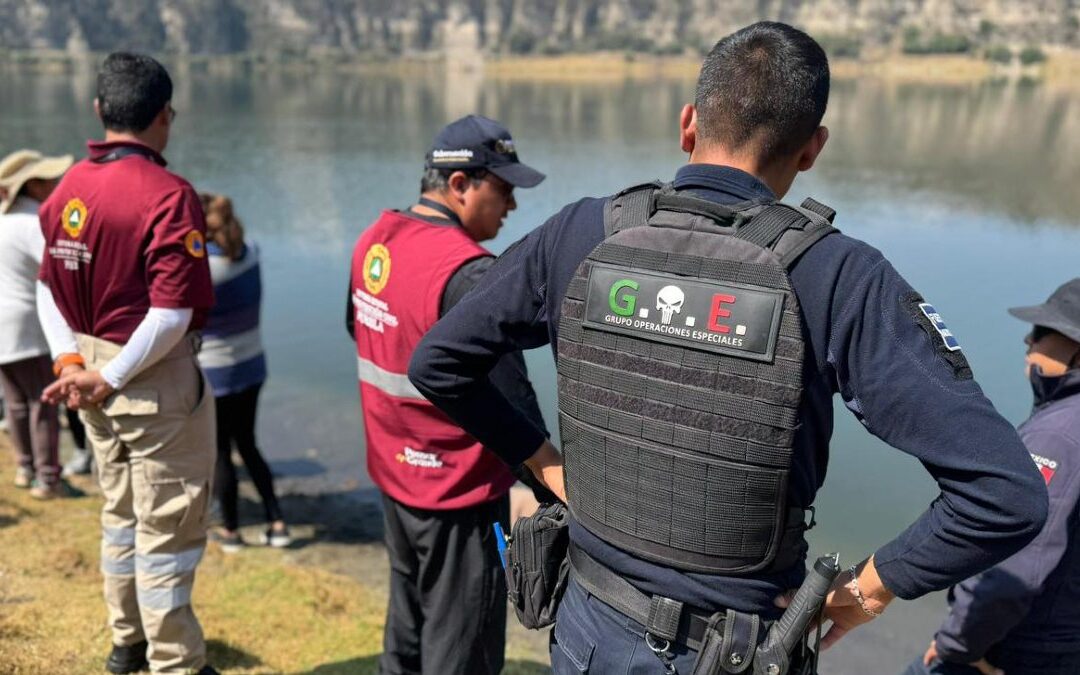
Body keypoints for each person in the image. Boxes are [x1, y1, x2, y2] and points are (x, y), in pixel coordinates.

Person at [409, 22, 1049, 674]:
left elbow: (438, 362)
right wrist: (868, 588)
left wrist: (543, 461)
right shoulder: (837, 277)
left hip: (585, 631)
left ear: (688, 123)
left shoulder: (578, 234)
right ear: (811, 150)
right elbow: (1005, 493)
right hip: (734, 652)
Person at [37, 52, 218, 675]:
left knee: (118, 514)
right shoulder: (169, 196)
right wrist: (110, 375)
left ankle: (127, 642)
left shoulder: (65, 188)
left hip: (84, 373)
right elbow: (169, 315)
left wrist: (71, 363)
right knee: (167, 528)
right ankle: (177, 663)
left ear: (99, 111)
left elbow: (46, 288)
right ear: (166, 115)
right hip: (148, 382)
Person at [347, 114, 548, 675]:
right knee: (463, 646)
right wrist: (548, 482)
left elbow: (359, 331)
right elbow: (515, 400)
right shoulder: (470, 274)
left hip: (394, 474)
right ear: (460, 185)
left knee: (408, 625)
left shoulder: (374, 241)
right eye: (503, 189)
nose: (511, 207)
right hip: (459, 491)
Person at [906, 279, 1080, 675]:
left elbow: (1015, 568)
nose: (1027, 341)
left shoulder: (1058, 435)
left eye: (1041, 333)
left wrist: (959, 644)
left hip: (1023, 647)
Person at [197, 192, 289, 552]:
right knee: (248, 444)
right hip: (251, 365)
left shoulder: (203, 267)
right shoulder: (251, 252)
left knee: (220, 451)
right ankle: (277, 522)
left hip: (215, 373)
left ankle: (232, 531)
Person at [0, 149, 72, 499]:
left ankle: (25, 467)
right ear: (34, 186)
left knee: (15, 402)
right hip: (29, 323)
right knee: (42, 402)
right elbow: (58, 273)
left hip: (2, 324)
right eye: (49, 179)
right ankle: (49, 478)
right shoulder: (34, 225)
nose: (56, 184)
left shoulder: (3, 221)